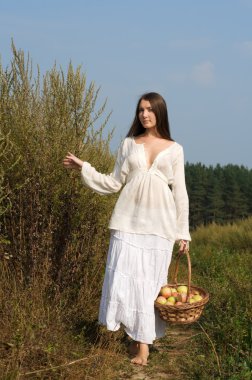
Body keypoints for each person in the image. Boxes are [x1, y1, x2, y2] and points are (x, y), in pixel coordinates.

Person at [63, 92, 191, 366]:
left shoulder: (175, 149)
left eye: (149, 109)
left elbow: (180, 193)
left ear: (160, 112)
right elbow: (112, 182)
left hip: (160, 227)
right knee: (126, 282)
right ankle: (136, 338)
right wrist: (84, 167)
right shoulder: (128, 144)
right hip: (127, 222)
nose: (144, 114)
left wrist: (184, 233)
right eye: (141, 110)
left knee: (149, 286)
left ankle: (143, 347)